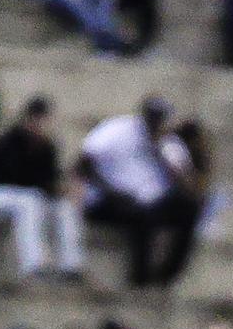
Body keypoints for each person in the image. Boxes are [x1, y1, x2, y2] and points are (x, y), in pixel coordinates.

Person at [78, 96, 201, 287]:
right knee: (140, 214)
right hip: (109, 199)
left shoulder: (169, 144)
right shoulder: (117, 130)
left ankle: (167, 274)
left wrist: (163, 157)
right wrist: (114, 192)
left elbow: (190, 187)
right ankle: (139, 279)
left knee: (189, 208)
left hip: (151, 202)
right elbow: (84, 164)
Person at [0, 97, 84, 282]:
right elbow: (10, 178)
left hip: (21, 201)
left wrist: (62, 189)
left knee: (63, 206)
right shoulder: (9, 142)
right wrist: (48, 186)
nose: (40, 125)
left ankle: (71, 266)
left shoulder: (47, 149)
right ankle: (33, 265)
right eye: (36, 119)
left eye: (44, 120)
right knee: (29, 199)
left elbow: (49, 182)